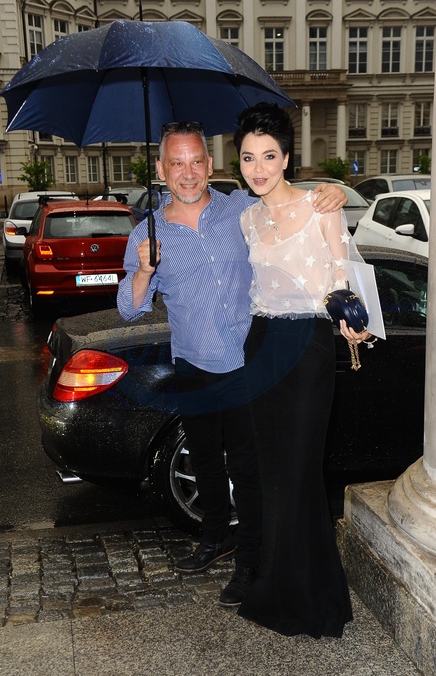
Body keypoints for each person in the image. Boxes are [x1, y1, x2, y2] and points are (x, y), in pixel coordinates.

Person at [117, 120, 348, 607]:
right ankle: (215, 537)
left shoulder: (240, 209)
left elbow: (286, 206)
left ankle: (249, 563)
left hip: (247, 359)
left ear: (209, 164)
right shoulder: (146, 233)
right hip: (193, 362)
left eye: (195, 161)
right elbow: (129, 309)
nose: (187, 173)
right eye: (176, 163)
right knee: (204, 459)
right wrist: (143, 271)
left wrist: (331, 192)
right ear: (161, 169)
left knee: (248, 468)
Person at [232, 102, 369, 637]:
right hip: (261, 342)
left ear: (287, 158)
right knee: (273, 473)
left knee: (299, 470)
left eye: (269, 156)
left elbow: (341, 272)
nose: (259, 168)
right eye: (248, 157)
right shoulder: (247, 219)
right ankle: (279, 590)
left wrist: (350, 318)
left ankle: (315, 601)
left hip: (307, 344)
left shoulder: (321, 205)